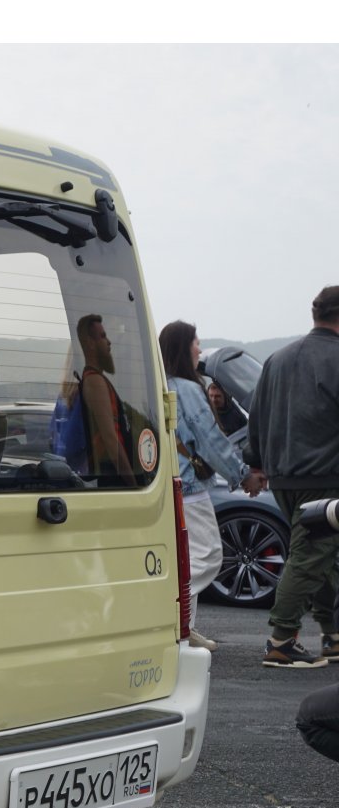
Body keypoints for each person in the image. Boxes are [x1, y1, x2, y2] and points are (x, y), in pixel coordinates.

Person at [243, 285, 339, 668]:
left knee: (326, 557)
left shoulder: (277, 360)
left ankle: (332, 636)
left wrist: (256, 464)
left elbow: (257, 414)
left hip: (284, 477)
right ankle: (281, 641)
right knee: (310, 556)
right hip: (326, 477)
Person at [159, 321, 266, 651]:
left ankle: (185, 628)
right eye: (195, 343)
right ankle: (173, 619)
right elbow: (210, 441)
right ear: (182, 348)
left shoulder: (162, 385)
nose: (199, 350)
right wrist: (242, 475)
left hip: (169, 485)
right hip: (190, 489)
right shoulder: (189, 389)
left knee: (187, 559)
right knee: (207, 557)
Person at [73, 313, 137, 486]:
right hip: (112, 476)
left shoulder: (97, 379)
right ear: (90, 343)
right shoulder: (94, 381)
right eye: (102, 336)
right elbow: (110, 438)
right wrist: (133, 483)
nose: (108, 342)